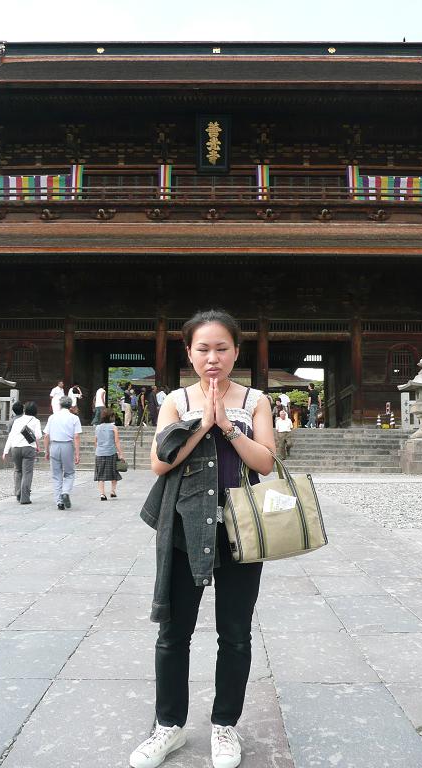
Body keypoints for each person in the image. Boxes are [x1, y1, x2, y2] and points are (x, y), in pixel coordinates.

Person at [129, 309, 275, 768]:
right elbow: (159, 462)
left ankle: (224, 725)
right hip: (184, 528)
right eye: (203, 349)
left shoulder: (256, 401)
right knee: (174, 633)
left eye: (221, 348)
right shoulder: (175, 400)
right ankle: (168, 727)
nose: (213, 358)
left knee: (235, 634)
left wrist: (227, 426)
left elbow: (266, 462)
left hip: (239, 529)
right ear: (189, 353)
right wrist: (203, 424)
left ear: (236, 351)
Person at [43, 395, 82, 510]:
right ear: (71, 406)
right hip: (67, 445)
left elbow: (46, 435)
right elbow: (76, 436)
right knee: (69, 473)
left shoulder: (52, 417)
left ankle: (59, 501)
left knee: (56, 475)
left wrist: (46, 450)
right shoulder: (74, 418)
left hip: (54, 445)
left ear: (60, 405)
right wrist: (77, 453)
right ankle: (65, 492)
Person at [2, 401, 42, 505]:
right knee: (27, 472)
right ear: (35, 411)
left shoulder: (17, 420)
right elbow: (38, 435)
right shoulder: (36, 421)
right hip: (28, 448)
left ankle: (18, 493)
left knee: (18, 470)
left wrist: (5, 451)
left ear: (25, 410)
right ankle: (25, 497)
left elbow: (11, 436)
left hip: (15, 448)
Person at [94, 408, 125, 500]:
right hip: (111, 453)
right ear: (111, 417)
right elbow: (117, 441)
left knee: (100, 474)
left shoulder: (97, 427)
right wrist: (121, 454)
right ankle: (112, 491)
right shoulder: (113, 427)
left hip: (99, 453)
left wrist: (99, 449)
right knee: (114, 472)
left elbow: (95, 441)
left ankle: (102, 494)